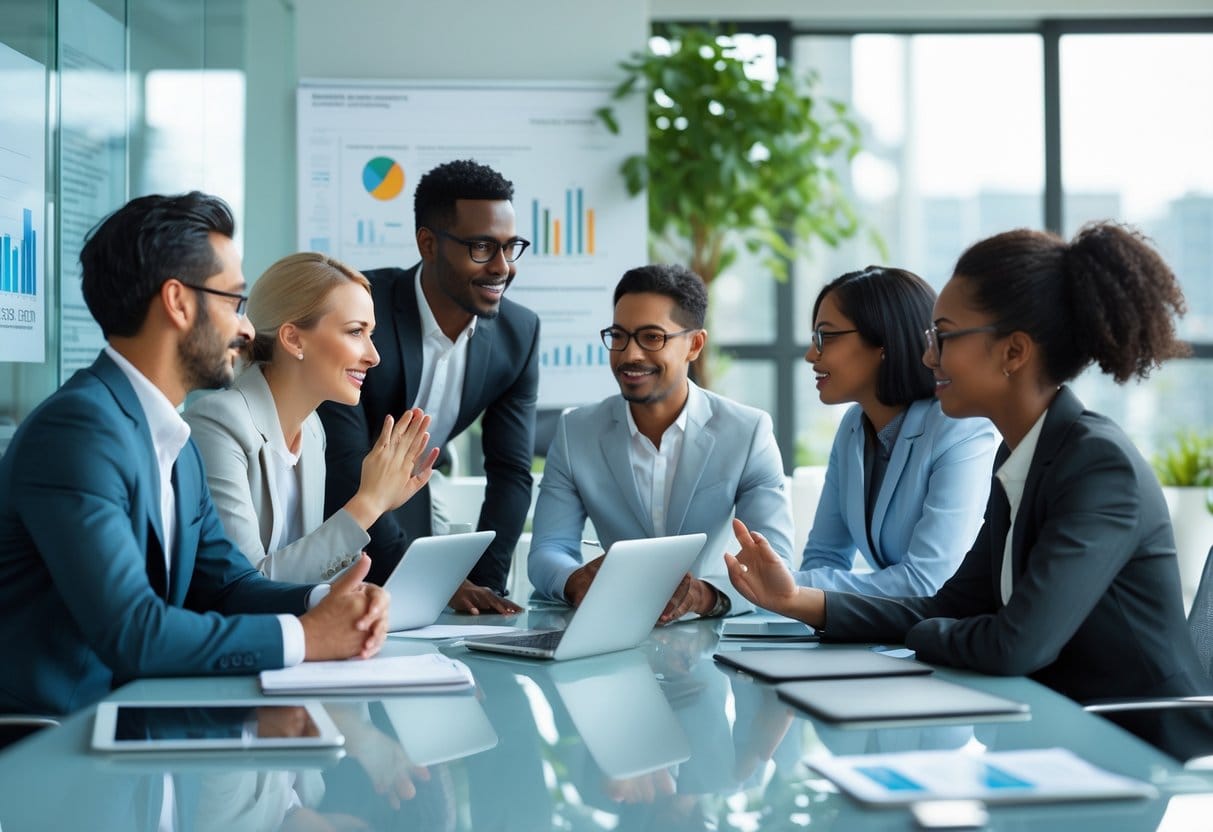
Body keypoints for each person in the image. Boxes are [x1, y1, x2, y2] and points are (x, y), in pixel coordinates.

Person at [727, 223, 1213, 760]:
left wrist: (930, 633)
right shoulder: (1021, 454)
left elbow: (1015, 644)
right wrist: (797, 600)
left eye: (944, 336)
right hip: (1050, 739)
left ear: (1013, 353)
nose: (928, 356)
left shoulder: (1098, 466)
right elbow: (952, 603)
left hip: (1135, 749)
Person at [0, 192, 390, 716]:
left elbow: (230, 586)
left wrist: (324, 604)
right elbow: (134, 631)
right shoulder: (79, 431)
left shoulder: (174, 443)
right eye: (234, 302)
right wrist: (306, 638)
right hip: (53, 746)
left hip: (137, 732)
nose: (248, 329)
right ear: (179, 303)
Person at [320, 159, 538, 615]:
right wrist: (430, 583)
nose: (502, 268)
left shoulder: (519, 334)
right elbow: (344, 465)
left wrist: (481, 587)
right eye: (482, 247)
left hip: (408, 501)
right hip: (326, 519)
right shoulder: (362, 313)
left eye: (510, 247)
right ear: (428, 244)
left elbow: (511, 473)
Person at [529, 264, 793, 620]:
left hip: (709, 644)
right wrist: (574, 579)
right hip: (609, 634)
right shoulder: (575, 431)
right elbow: (548, 549)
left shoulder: (747, 432)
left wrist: (707, 595)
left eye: (652, 337)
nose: (629, 355)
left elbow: (774, 560)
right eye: (619, 336)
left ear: (694, 345)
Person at [184, 253, 439, 583]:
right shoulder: (217, 425)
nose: (373, 357)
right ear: (293, 338)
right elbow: (244, 585)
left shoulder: (313, 430)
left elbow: (303, 571)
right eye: (355, 332)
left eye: (371, 334)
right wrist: (369, 503)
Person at [796, 266, 997, 595]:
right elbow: (825, 557)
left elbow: (927, 582)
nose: (810, 354)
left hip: (956, 636)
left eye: (825, 337)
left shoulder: (958, 428)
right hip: (887, 635)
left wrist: (784, 588)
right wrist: (787, 591)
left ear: (883, 342)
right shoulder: (852, 428)